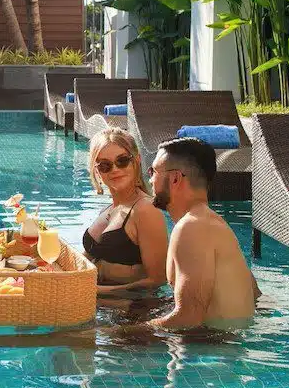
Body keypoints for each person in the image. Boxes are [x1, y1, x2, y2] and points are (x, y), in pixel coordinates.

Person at [147, 137, 259, 329]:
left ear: (175, 178)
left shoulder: (191, 227)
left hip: (211, 353)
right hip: (226, 347)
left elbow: (188, 319)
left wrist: (114, 334)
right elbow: (254, 293)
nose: (149, 179)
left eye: (153, 171)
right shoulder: (214, 223)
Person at [83, 128, 169, 295]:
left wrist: (97, 291)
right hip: (100, 306)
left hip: (133, 312)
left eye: (122, 161)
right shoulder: (108, 210)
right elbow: (87, 259)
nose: (115, 169)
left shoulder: (145, 209)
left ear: (136, 161)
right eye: (105, 165)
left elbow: (158, 279)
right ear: (96, 170)